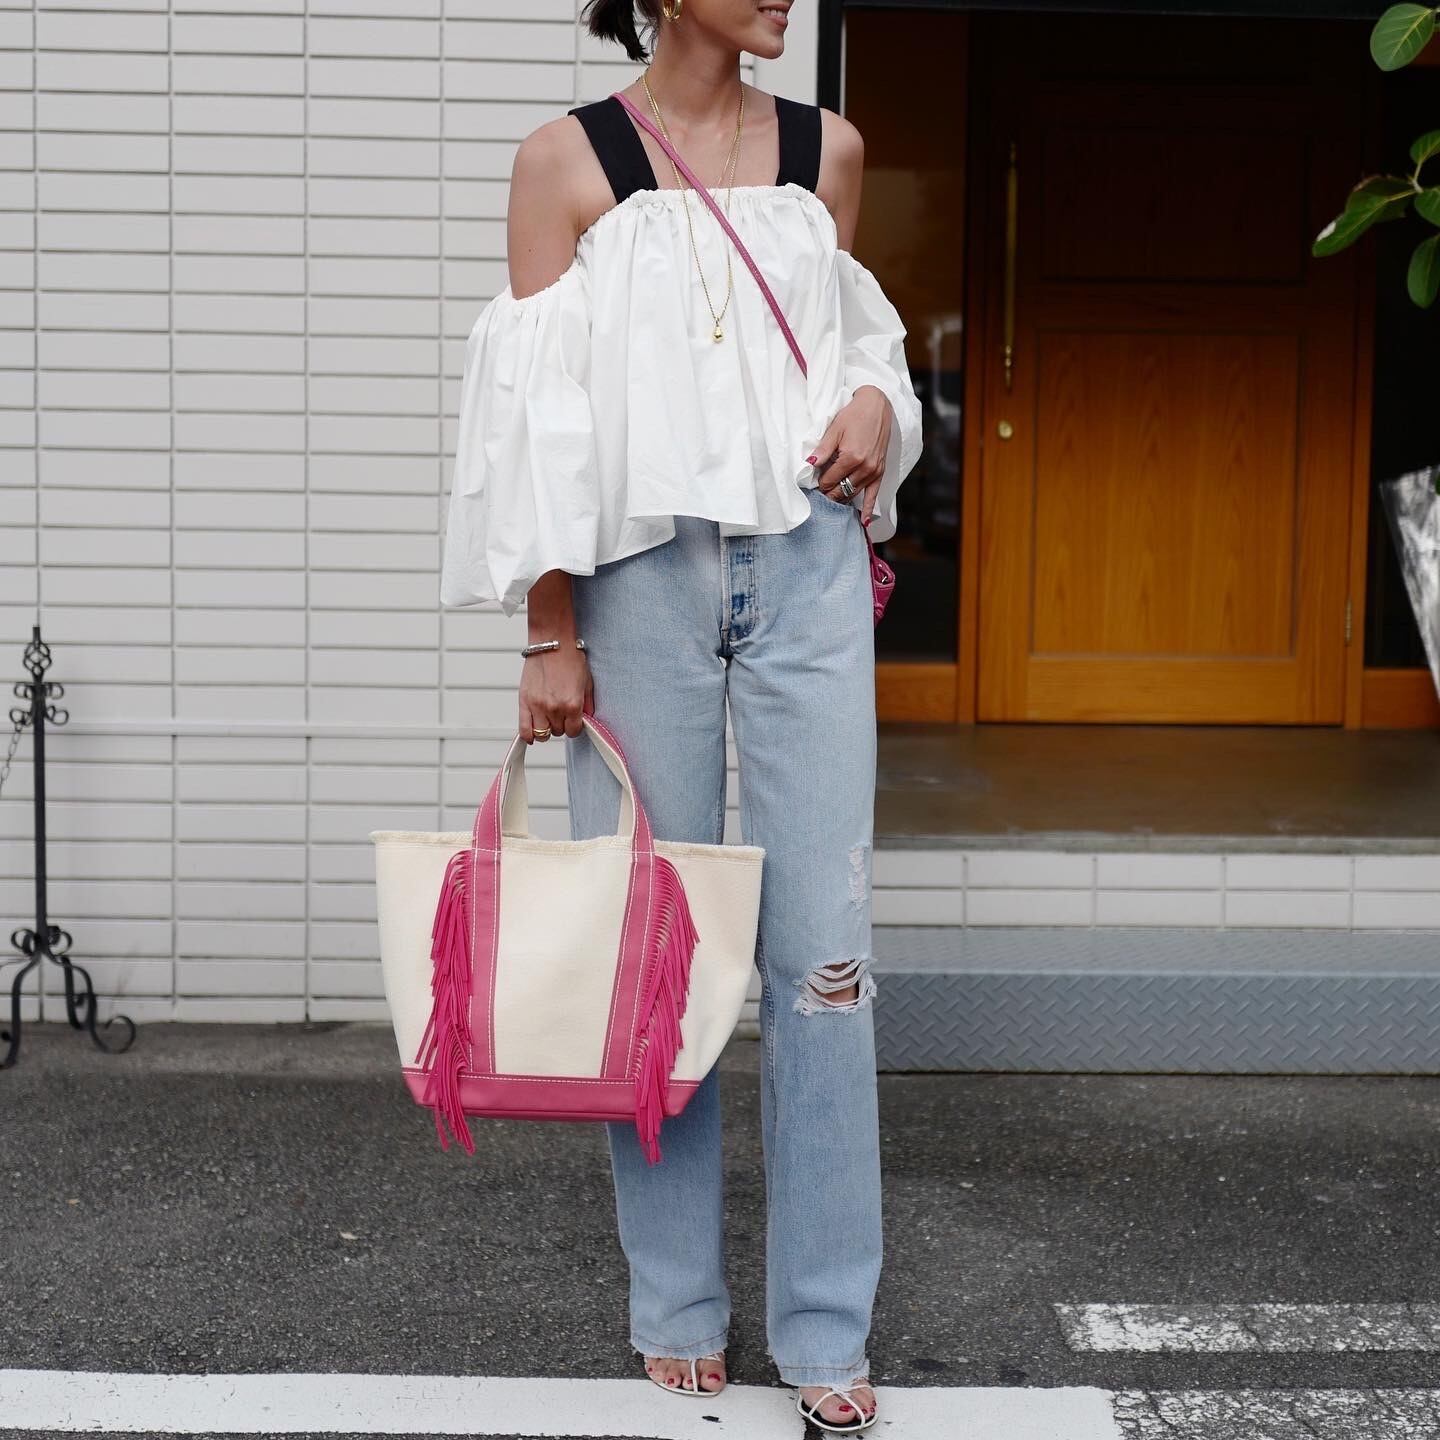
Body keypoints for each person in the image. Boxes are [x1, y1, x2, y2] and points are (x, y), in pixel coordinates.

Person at [440, 0, 923, 1431]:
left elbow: (862, 347)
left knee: (826, 959)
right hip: (644, 583)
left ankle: (828, 1325)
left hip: (813, 574)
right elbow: (536, 420)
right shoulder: (566, 164)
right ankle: (676, 1306)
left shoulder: (825, 150)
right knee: (659, 942)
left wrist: (879, 418)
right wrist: (548, 631)